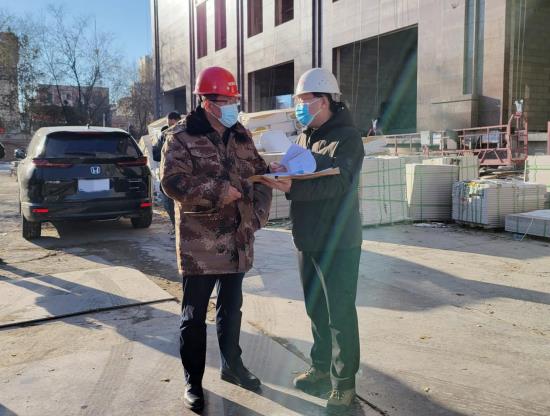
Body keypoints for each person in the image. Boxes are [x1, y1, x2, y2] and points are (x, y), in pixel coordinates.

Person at [160, 66, 272, 412]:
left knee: (231, 309)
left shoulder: (241, 134)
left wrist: (259, 211)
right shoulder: (181, 137)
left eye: (233, 100)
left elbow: (259, 173)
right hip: (201, 246)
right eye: (224, 100)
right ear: (206, 102)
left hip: (238, 240)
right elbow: (172, 183)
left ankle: (232, 366)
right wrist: (217, 191)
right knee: (194, 316)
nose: (231, 106)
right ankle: (193, 381)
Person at [261, 67, 364, 412]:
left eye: (306, 99)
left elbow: (340, 182)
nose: (300, 106)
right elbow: (302, 172)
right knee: (316, 308)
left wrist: (294, 187)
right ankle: (320, 369)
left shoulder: (348, 138)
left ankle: (344, 384)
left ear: (325, 100)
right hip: (307, 235)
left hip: (339, 240)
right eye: (299, 100)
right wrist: (282, 172)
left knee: (339, 314)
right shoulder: (305, 137)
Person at [153, 112, 181, 231]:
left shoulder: (186, 134)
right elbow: (155, 154)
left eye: (173, 124)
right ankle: (175, 226)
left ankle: (179, 227)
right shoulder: (164, 135)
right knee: (167, 203)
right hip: (167, 175)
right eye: (169, 125)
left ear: (179, 121)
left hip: (182, 175)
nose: (171, 127)